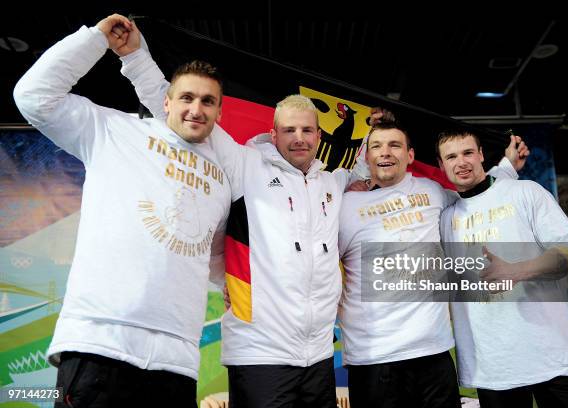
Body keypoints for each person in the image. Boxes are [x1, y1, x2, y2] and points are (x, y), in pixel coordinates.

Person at [115, 25, 370, 408]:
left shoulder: (332, 182)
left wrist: (379, 129)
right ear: (274, 133)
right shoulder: (244, 163)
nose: (298, 138)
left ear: (319, 136)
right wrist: (135, 57)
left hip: (317, 353)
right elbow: (175, 110)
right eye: (289, 130)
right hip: (259, 351)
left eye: (307, 130)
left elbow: (371, 168)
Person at [13, 14, 231, 407]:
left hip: (177, 360)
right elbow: (33, 97)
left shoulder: (220, 175)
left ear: (217, 112)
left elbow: (213, 251)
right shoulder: (114, 130)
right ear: (166, 101)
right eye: (186, 97)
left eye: (207, 101)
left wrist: (233, 285)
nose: (196, 109)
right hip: (100, 345)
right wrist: (95, 40)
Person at [338, 120, 526, 408]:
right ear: (367, 157)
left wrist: (507, 167)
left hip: (433, 353)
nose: (385, 152)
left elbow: (476, 197)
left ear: (410, 156)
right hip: (374, 359)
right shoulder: (343, 206)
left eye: (394, 145)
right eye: (377, 146)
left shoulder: (433, 191)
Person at [437, 130, 568, 408]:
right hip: (494, 368)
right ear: (441, 166)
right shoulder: (445, 216)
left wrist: (517, 270)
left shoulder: (526, 192)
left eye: (468, 153)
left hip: (554, 357)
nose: (461, 162)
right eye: (451, 156)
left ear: (482, 155)